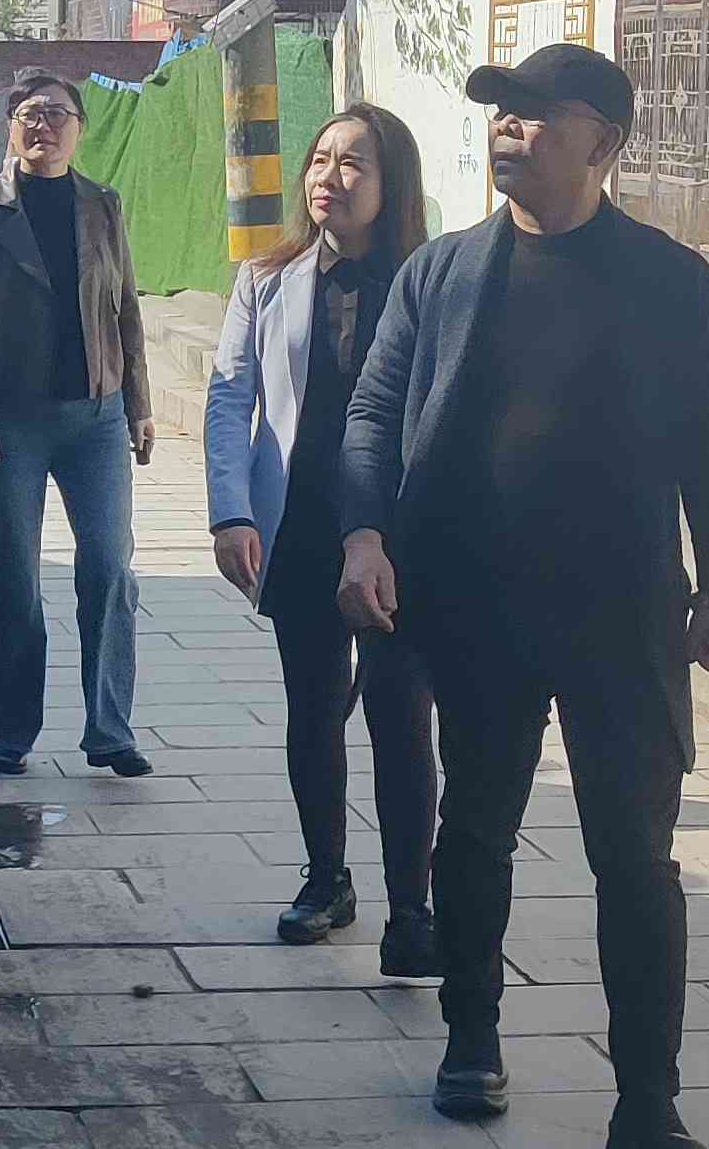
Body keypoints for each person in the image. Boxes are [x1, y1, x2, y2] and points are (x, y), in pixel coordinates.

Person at [336, 43, 709, 1142]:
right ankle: (470, 1039)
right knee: (475, 832)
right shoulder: (443, 274)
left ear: (602, 142)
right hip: (475, 604)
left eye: (533, 113)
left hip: (621, 612)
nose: (507, 129)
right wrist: (365, 535)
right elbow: (374, 409)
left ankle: (648, 1100)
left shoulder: (669, 281)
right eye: (500, 112)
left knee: (636, 858)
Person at [206, 105, 441, 970]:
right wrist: (231, 511)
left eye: (352, 164)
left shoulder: (428, 283)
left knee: (399, 714)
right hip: (301, 525)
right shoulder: (268, 277)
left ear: (391, 184)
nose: (327, 178)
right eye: (320, 159)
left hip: (400, 534)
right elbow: (230, 394)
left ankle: (412, 910)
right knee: (313, 708)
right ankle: (326, 879)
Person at [0, 72, 157, 779]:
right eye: (30, 114)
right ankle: (9, 733)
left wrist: (139, 403)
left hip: (96, 417)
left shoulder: (103, 204)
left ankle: (110, 730)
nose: (43, 125)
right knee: (14, 575)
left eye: (58, 114)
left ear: (79, 128)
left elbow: (125, 306)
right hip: (10, 425)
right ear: (10, 126)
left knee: (108, 567)